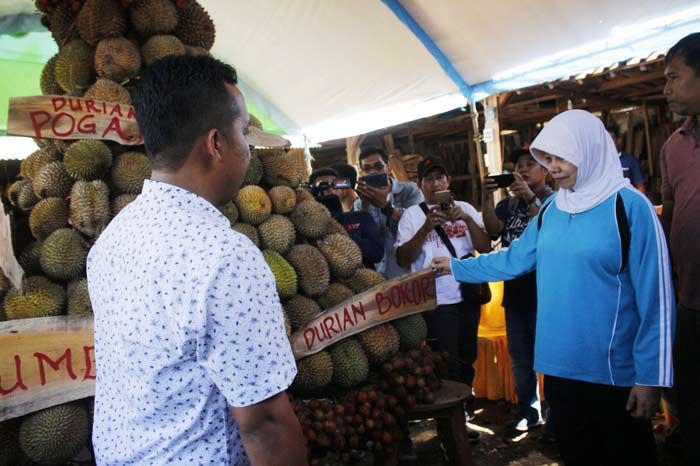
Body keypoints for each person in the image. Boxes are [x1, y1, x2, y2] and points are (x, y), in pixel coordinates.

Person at [86, 55, 307, 466]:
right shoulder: (224, 256)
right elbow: (264, 424)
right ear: (216, 144)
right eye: (244, 133)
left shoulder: (110, 241)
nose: (249, 149)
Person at [433, 110, 674, 466]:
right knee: (578, 454)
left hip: (613, 373)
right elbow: (514, 260)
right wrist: (455, 267)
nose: (555, 167)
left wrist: (651, 377)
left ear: (590, 151)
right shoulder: (552, 209)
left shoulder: (630, 207)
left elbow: (657, 299)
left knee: (625, 455)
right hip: (560, 368)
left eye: (563, 157)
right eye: (550, 158)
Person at [396, 156, 491, 390]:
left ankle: (465, 407)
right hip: (436, 301)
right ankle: (453, 415)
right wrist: (426, 227)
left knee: (468, 355)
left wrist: (467, 219)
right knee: (446, 360)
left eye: (439, 177)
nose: (435, 183)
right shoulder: (412, 215)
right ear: (420, 184)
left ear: (448, 181)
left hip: (469, 295)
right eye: (428, 179)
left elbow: (485, 247)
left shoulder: (466, 208)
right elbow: (402, 259)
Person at [481, 148, 553, 431]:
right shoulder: (509, 205)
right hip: (515, 293)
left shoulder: (552, 200)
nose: (522, 170)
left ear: (545, 170)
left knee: (549, 357)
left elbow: (550, 229)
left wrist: (529, 197)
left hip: (545, 291)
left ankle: (555, 416)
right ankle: (529, 411)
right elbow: (492, 230)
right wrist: (487, 197)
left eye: (530, 165)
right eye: (518, 165)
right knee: (520, 358)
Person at [661, 32, 700, 466]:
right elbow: (670, 215)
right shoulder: (673, 146)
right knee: (691, 401)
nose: (666, 89)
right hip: (689, 303)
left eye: (675, 77)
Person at [354, 146, 423, 278]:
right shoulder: (360, 202)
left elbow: (418, 224)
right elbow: (362, 235)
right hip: (379, 275)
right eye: (367, 169)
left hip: (411, 271)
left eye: (378, 166)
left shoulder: (410, 190)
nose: (373, 172)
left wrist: (386, 206)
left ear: (388, 167)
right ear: (362, 172)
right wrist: (365, 203)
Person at [309, 167, 383, 268]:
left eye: (334, 185)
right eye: (323, 186)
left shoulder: (361, 217)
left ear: (342, 190)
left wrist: (342, 234)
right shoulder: (310, 228)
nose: (331, 190)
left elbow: (376, 254)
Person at [607, 126, 647, 193]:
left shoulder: (631, 161)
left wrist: (638, 202)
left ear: (618, 140)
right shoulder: (599, 163)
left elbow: (640, 186)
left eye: (610, 139)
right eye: (605, 140)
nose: (607, 142)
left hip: (625, 201)